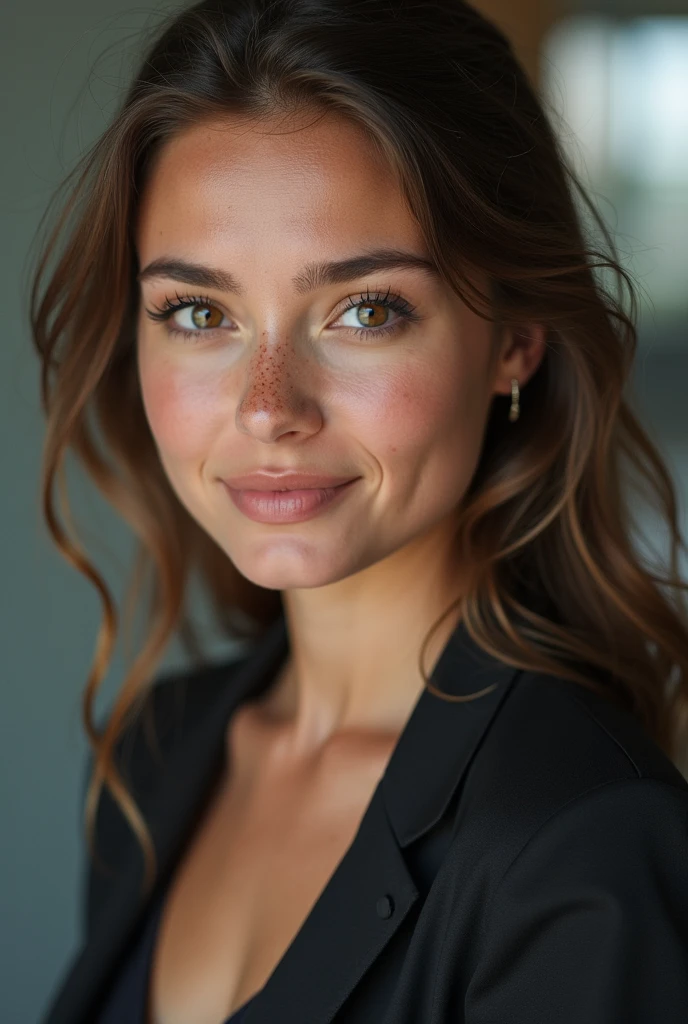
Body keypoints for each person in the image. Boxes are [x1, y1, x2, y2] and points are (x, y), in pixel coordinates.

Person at [33, 1, 688, 1022]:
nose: (267, 408)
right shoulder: (153, 757)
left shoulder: (584, 843)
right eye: (199, 313)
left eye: (364, 310)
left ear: (514, 335)